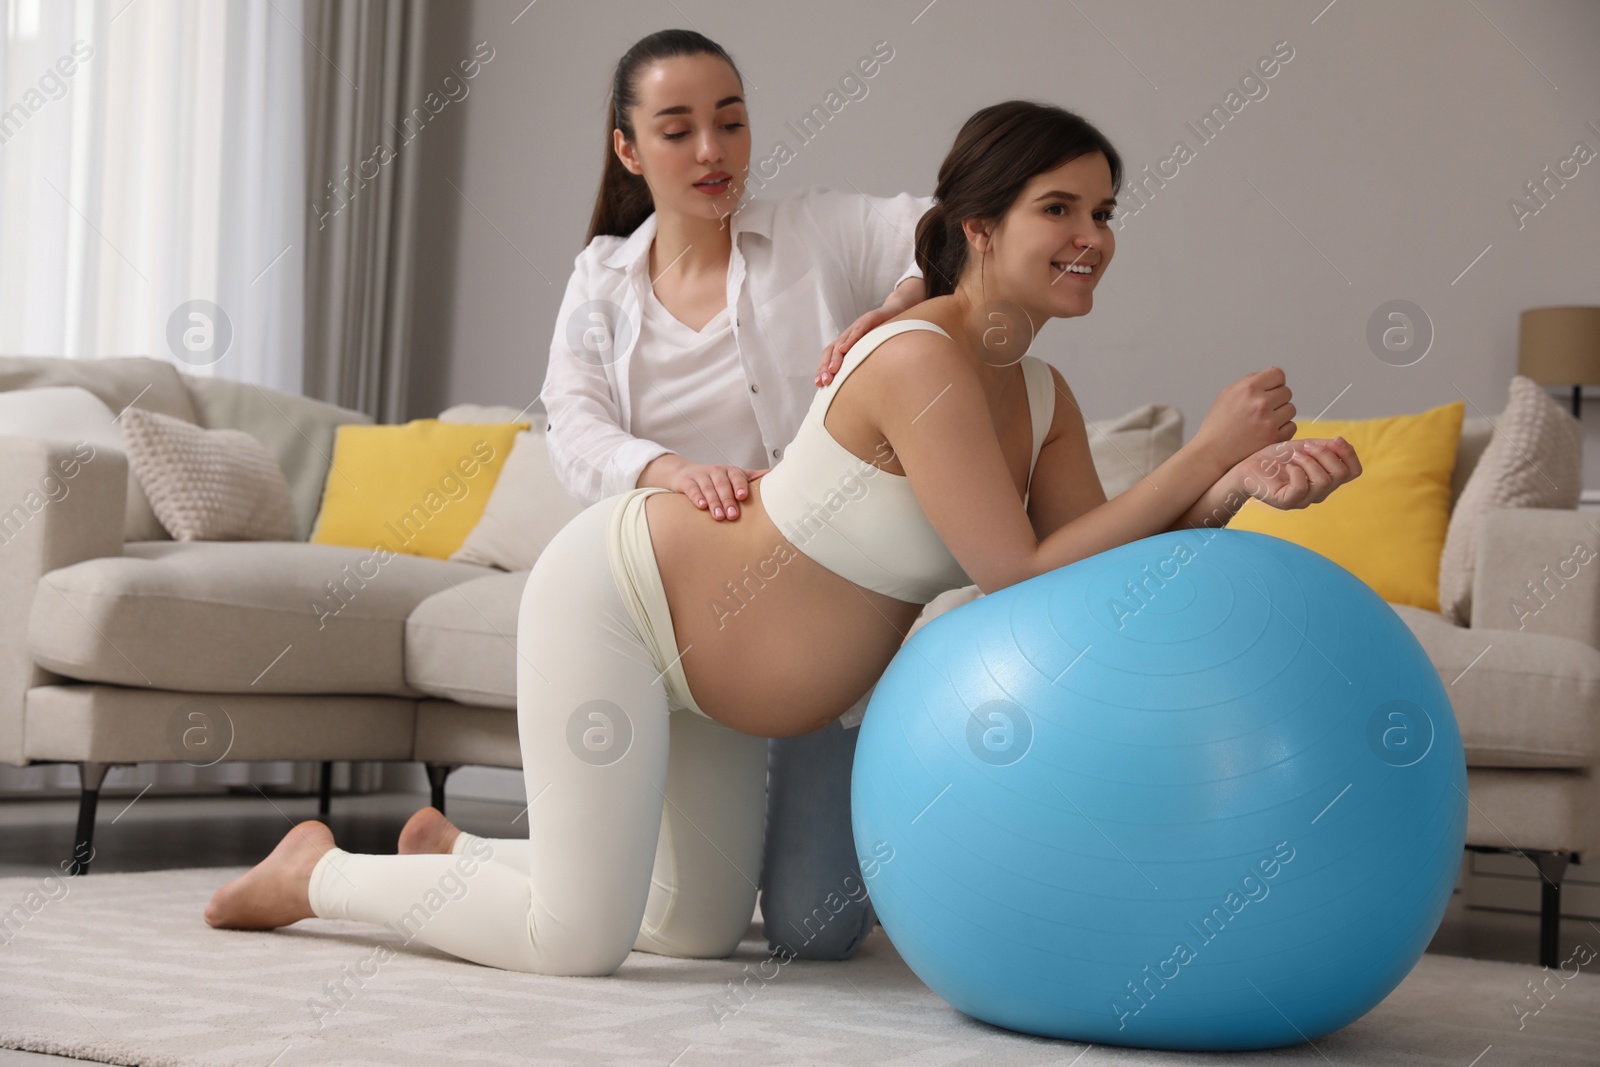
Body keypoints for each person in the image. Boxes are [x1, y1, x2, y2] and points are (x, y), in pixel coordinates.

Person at [204, 99, 1361, 978]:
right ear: (977, 228)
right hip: (628, 601)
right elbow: (1009, 572)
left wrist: (1235, 488)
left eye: (1103, 211)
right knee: (577, 942)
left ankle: (449, 853)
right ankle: (321, 872)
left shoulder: (1043, 394)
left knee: (695, 927)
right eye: (1057, 207)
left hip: (730, 688)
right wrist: (1201, 450)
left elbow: (1080, 577)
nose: (1091, 235)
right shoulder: (918, 360)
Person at [531, 28, 934, 962]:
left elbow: (952, 223)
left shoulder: (815, 231)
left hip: (817, 620)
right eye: (677, 130)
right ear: (629, 149)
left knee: (818, 929)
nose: (712, 151)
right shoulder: (601, 279)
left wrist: (903, 301)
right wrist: (669, 469)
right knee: (694, 927)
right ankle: (475, 855)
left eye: (731, 122)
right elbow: (573, 425)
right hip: (682, 626)